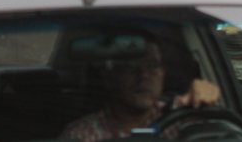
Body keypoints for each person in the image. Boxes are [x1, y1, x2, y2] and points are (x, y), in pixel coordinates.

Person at [62, 35, 221, 142]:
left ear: (164, 73)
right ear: (110, 77)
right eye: (130, 67)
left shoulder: (183, 117)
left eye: (152, 65)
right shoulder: (82, 135)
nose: (144, 75)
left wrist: (206, 99)